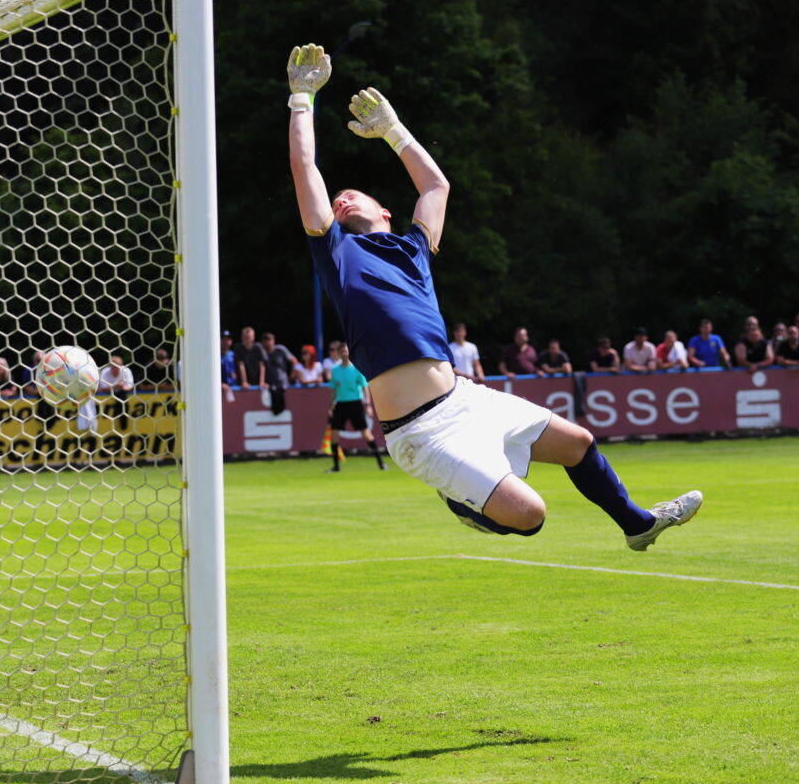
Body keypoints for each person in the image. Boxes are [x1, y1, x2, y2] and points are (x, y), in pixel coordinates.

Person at [286, 42, 700, 548]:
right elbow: (306, 171)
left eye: (351, 193)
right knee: (531, 515)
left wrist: (393, 131)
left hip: (464, 397)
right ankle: (461, 501)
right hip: (421, 432)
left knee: (579, 443)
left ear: (386, 213)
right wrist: (302, 100)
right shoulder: (336, 252)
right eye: (336, 198)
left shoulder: (414, 246)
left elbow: (436, 187)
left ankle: (638, 524)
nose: (340, 197)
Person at [323, 343, 386, 473]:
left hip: (355, 404)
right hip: (340, 404)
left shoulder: (357, 369)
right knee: (334, 434)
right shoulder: (335, 370)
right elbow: (334, 390)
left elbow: (364, 387)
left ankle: (380, 462)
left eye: (346, 350)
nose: (344, 352)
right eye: (342, 351)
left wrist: (367, 405)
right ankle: (336, 467)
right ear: (339, 353)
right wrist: (330, 406)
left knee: (365, 433)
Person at [261, 332, 296, 414]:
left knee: (285, 408)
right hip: (269, 386)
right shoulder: (261, 352)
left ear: (274, 341)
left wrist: (292, 375)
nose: (268, 343)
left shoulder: (280, 349)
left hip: (283, 384)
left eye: (270, 340)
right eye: (266, 340)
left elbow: (294, 361)